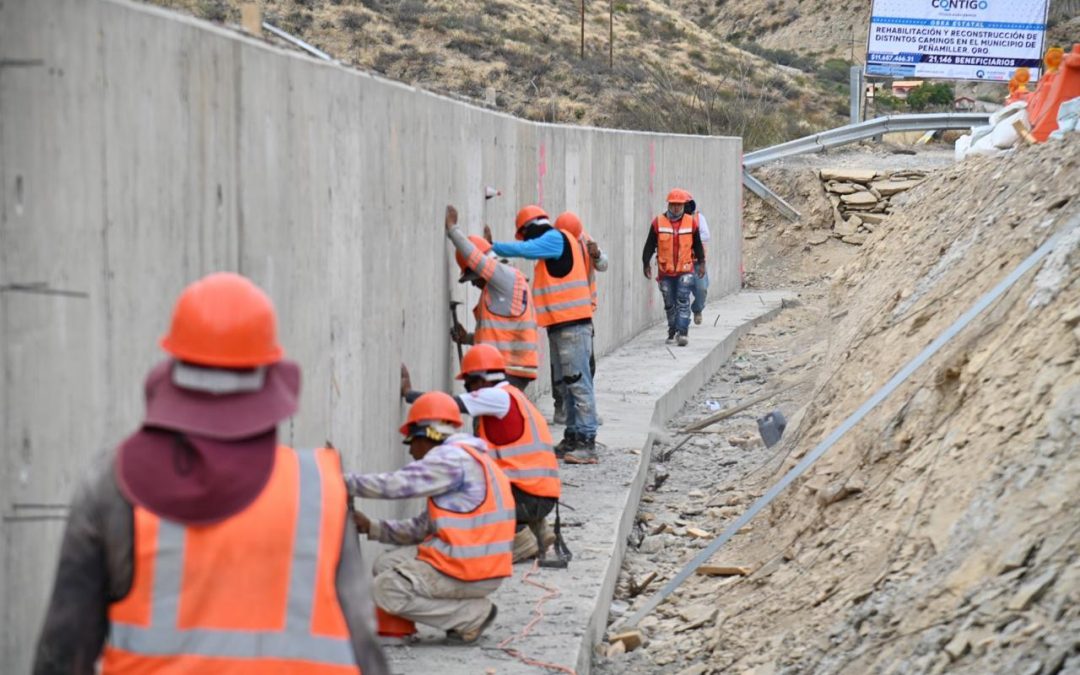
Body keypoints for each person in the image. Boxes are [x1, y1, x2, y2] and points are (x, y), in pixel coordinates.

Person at [33, 272, 387, 675]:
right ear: (268, 382)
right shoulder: (318, 492)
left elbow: (62, 652)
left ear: (172, 372)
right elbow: (363, 646)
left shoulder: (112, 484)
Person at [347, 391, 515, 644]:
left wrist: (343, 482)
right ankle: (413, 625)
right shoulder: (470, 459)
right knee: (386, 564)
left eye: (411, 442)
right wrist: (372, 527)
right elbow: (421, 528)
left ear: (426, 435)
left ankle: (470, 615)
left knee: (384, 588)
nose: (411, 452)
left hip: (468, 567)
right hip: (477, 563)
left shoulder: (451, 459)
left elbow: (398, 484)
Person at [401, 345, 560, 562]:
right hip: (538, 495)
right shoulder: (514, 396)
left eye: (469, 384)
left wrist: (409, 394)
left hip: (529, 498)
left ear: (482, 379)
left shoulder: (497, 397)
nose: (468, 390)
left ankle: (519, 541)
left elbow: (448, 405)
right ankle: (538, 530)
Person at [487, 205, 600, 465]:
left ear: (529, 228)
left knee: (578, 385)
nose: (527, 240)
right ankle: (573, 436)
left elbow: (526, 249)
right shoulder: (557, 244)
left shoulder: (555, 238)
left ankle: (586, 442)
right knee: (569, 386)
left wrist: (492, 247)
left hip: (572, 326)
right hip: (562, 326)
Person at [446, 205, 539, 391]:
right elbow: (498, 337)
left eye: (473, 278)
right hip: (511, 367)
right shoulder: (500, 288)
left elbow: (475, 259)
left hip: (509, 368)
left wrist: (452, 229)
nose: (473, 284)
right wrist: (468, 338)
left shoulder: (506, 278)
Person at [551, 211, 607, 426]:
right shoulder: (554, 245)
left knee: (585, 365)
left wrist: (597, 255)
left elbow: (603, 265)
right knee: (560, 366)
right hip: (559, 314)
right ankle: (562, 407)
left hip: (582, 313)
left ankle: (584, 411)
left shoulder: (585, 241)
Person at [642, 188, 705, 346]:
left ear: (683, 205)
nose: (676, 208)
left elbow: (697, 245)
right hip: (666, 271)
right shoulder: (658, 222)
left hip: (685, 270)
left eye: (679, 205)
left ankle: (683, 332)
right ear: (668, 204)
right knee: (669, 303)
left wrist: (702, 263)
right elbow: (649, 245)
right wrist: (646, 263)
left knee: (683, 300)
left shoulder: (691, 222)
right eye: (673, 204)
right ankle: (672, 330)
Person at [684, 197, 711, 325]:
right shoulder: (672, 220)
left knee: (702, 289)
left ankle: (697, 309)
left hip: (696, 261)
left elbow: (706, 235)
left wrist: (690, 238)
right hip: (680, 262)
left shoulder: (699, 218)